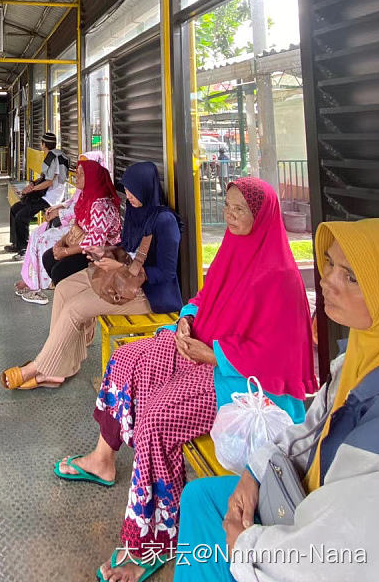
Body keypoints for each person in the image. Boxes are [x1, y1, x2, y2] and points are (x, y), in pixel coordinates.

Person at [55, 177, 316, 582]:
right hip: (197, 344)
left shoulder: (281, 275)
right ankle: (102, 459)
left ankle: (152, 541)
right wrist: (186, 320)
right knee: (126, 360)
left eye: (239, 210)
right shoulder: (234, 250)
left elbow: (280, 358)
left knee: (156, 417)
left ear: (261, 215)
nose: (229, 216)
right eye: (226, 206)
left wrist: (214, 355)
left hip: (234, 379)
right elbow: (205, 297)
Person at [174, 218, 379, 582]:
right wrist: (255, 473)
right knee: (199, 497)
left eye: (351, 277)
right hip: (297, 489)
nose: (327, 281)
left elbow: (342, 551)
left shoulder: (281, 279)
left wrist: (247, 544)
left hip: (323, 546)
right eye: (329, 264)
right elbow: (312, 427)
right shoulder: (358, 357)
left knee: (159, 419)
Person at [0, 162, 181, 392]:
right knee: (65, 288)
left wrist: (120, 266)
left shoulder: (165, 221)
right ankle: (62, 364)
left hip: (145, 293)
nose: (129, 196)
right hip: (118, 276)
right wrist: (104, 252)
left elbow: (166, 272)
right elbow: (126, 247)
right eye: (126, 190)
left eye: (133, 191)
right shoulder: (136, 212)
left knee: (75, 309)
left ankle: (38, 367)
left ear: (147, 188)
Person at [14, 151, 108, 305]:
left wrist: (60, 213)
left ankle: (39, 286)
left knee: (44, 240)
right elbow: (73, 201)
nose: (77, 176)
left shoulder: (98, 196)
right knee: (36, 234)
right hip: (73, 228)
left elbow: (81, 215)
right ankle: (30, 279)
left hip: (78, 230)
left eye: (82, 172)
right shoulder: (83, 188)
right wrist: (59, 207)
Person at [40, 158, 121, 285]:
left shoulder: (102, 205)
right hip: (83, 244)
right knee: (48, 257)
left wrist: (65, 252)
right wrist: (60, 243)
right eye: (77, 173)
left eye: (81, 174)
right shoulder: (85, 197)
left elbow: (94, 244)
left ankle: (71, 298)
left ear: (92, 178)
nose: (76, 177)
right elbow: (77, 225)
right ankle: (65, 294)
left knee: (59, 271)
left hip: (101, 252)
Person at [5, 131, 69, 257]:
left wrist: (32, 190)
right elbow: (46, 178)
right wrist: (33, 184)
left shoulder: (52, 157)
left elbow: (49, 182)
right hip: (47, 194)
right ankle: (16, 244)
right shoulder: (59, 155)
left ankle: (24, 249)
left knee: (21, 216)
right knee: (15, 209)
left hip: (49, 198)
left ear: (43, 144)